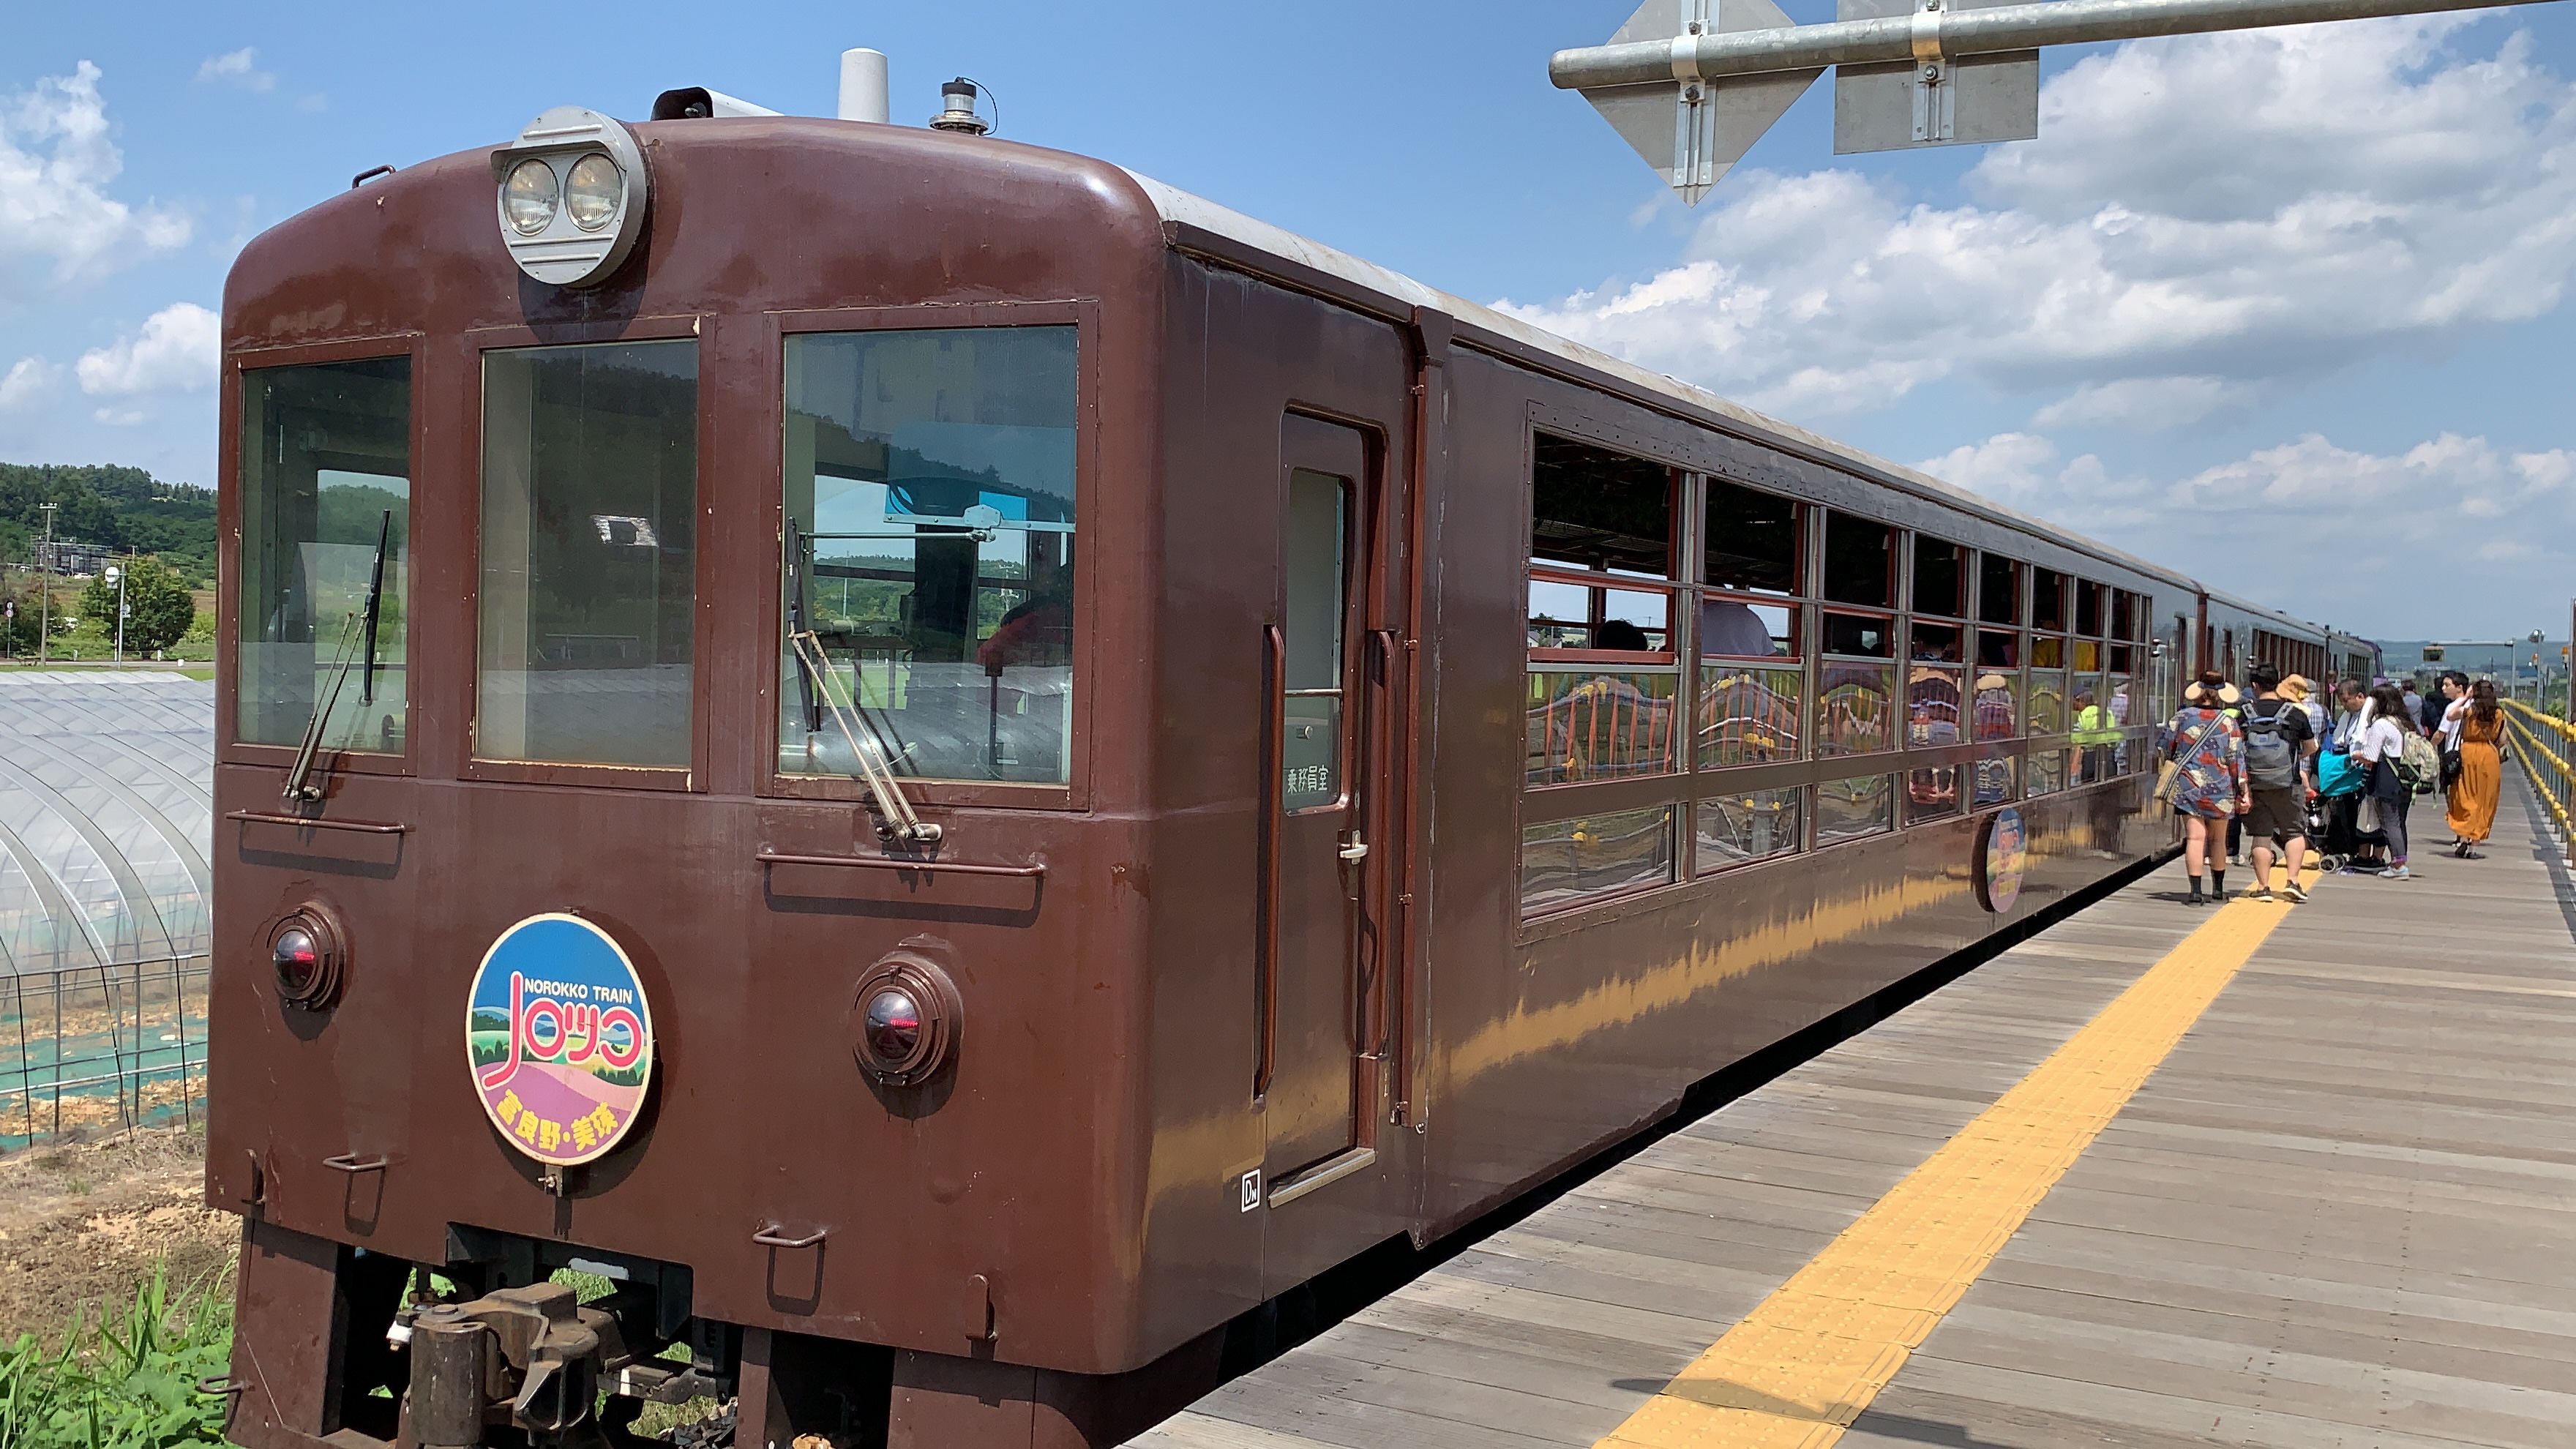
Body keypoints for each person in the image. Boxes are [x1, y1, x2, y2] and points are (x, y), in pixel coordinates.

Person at [2164, 670, 2247, 906]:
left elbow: (2166, 747)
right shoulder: (2229, 722)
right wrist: (2243, 790)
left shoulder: (2181, 718)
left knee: (2195, 839)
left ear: (2198, 691)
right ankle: (2218, 890)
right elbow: (2236, 759)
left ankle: (2195, 892)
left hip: (2188, 785)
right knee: (2218, 840)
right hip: (2220, 787)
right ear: (2221, 694)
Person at [2237, 663, 2315, 903]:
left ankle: (2263, 888)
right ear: (2278, 683)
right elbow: (2312, 747)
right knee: (2293, 832)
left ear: (2255, 686)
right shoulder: (2295, 713)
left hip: (2255, 782)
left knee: (2261, 834)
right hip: (2287, 782)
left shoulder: (2244, 712)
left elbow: (2236, 748)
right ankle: (2293, 882)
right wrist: (2293, 759)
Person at [2350, 682, 2417, 880]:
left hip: (2387, 777)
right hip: (2405, 776)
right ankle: (2400, 860)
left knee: (2390, 822)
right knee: (2399, 822)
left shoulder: (2381, 725)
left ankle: (2399, 865)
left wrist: (2356, 755)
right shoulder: (2405, 723)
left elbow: (2370, 757)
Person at [2445, 679, 2504, 857]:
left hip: (2468, 753)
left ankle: (2463, 837)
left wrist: (2465, 698)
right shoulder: (2499, 713)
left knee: (2465, 795)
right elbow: (2502, 741)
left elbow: (2450, 715)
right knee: (2484, 799)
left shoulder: (2469, 711)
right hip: (2489, 756)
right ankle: (2474, 847)